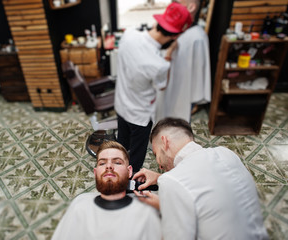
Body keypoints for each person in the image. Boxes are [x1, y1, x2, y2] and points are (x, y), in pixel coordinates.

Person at [133, 117, 269, 239]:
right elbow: (207, 188)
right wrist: (159, 177)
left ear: (165, 142)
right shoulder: (226, 153)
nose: (159, 165)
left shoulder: (172, 182)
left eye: (156, 154)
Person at [114, 2, 192, 173]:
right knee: (137, 153)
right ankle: (131, 179)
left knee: (122, 144)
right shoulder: (159, 65)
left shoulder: (129, 35)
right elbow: (162, 86)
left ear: (158, 22)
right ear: (174, 37)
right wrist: (170, 54)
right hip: (139, 115)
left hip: (121, 104)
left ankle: (117, 168)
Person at [52, 141, 162, 240]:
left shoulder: (147, 210)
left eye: (117, 162)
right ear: (95, 173)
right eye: (102, 163)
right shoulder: (80, 205)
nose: (109, 166)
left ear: (129, 171)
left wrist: (160, 179)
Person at [156, 0, 211, 123]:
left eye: (177, 2)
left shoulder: (197, 37)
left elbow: (198, 75)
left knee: (178, 126)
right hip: (163, 89)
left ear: (191, 7)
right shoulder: (168, 29)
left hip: (183, 93)